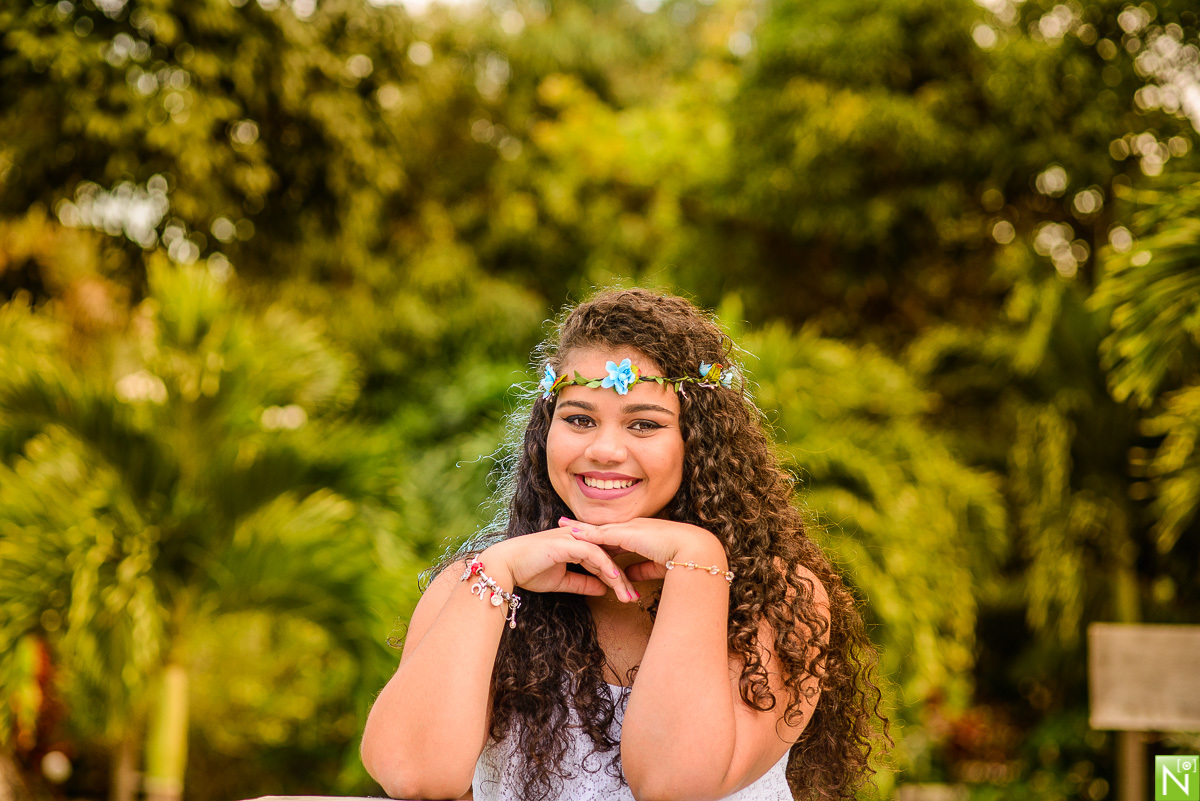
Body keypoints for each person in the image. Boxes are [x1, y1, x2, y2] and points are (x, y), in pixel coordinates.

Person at [361, 288, 886, 801]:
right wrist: (496, 572)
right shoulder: (476, 586)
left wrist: (698, 562)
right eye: (579, 419)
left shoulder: (777, 600)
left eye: (643, 424)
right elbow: (413, 776)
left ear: (698, 442)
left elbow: (671, 785)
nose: (604, 449)